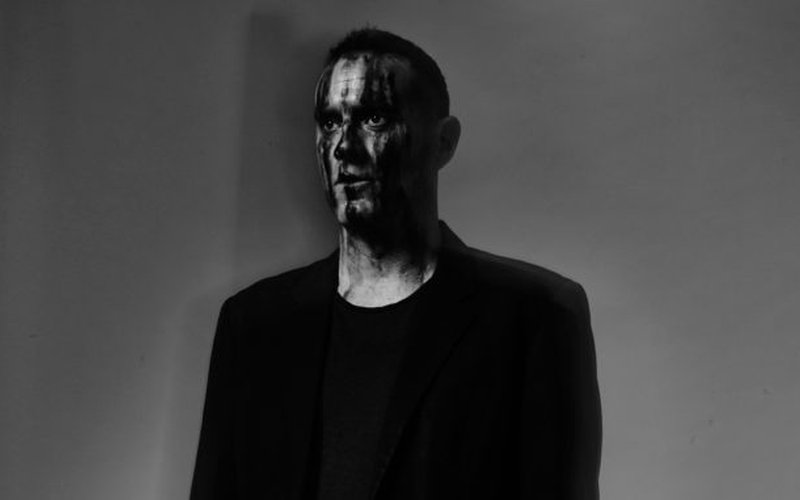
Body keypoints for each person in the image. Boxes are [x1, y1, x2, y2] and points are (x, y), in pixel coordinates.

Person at [190, 28, 601, 500]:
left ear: (443, 142)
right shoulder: (253, 326)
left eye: (375, 118)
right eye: (329, 122)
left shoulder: (534, 316)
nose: (344, 147)